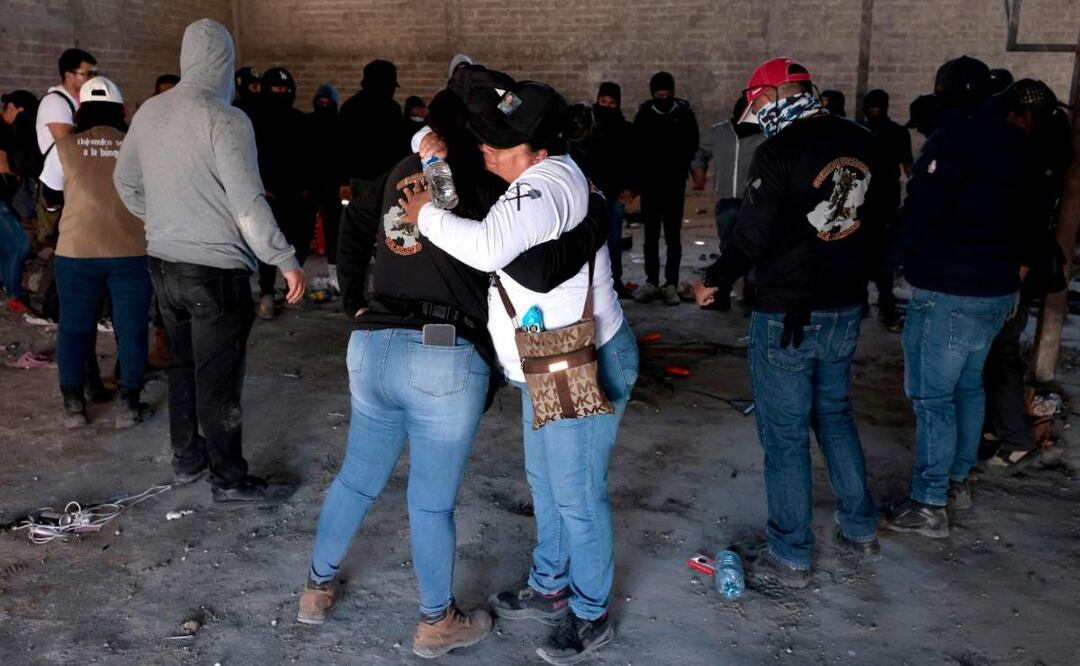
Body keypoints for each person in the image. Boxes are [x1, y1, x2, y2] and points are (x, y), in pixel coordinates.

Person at [300, 71, 608, 658]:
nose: (491, 148)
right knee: (490, 493)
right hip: (479, 353)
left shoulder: (413, 170)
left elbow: (361, 220)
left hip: (377, 343)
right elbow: (525, 264)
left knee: (359, 478)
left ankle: (315, 589)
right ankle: (441, 619)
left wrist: (352, 299)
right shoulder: (491, 183)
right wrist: (598, 218)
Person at [400, 77, 638, 666]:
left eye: (501, 143)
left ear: (538, 150)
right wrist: (431, 149)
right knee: (547, 485)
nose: (487, 147)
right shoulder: (527, 176)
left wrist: (424, 214)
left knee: (577, 495)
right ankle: (551, 583)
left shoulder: (546, 186)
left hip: (575, 359)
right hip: (545, 362)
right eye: (486, 138)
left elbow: (483, 250)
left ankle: (590, 613)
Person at [694, 57, 883, 588]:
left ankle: (791, 554)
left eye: (756, 101)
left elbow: (752, 235)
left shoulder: (776, 151)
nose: (754, 111)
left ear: (775, 94)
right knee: (836, 413)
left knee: (785, 436)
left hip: (787, 316)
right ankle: (860, 525)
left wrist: (717, 277)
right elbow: (879, 222)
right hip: (845, 307)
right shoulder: (864, 141)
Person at [114, 18, 305, 504]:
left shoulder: (150, 112)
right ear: (225, 62)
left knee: (181, 366)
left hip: (162, 263)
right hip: (214, 274)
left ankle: (188, 459)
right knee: (218, 380)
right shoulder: (225, 118)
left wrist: (162, 219)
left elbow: (125, 184)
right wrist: (283, 258)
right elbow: (247, 200)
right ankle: (229, 478)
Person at [880, 56, 1038, 536]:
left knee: (933, 398)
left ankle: (929, 502)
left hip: (951, 293)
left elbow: (920, 215)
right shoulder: (1017, 141)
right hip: (997, 293)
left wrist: (883, 264)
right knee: (969, 387)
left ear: (944, 93)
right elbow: (1034, 216)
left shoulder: (950, 144)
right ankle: (957, 481)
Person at [49, 77, 153, 429]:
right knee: (132, 327)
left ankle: (74, 404)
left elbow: (49, 194)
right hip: (131, 252)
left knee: (74, 327)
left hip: (77, 252)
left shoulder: (64, 147)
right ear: (122, 112)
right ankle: (129, 403)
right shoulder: (137, 147)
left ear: (80, 113)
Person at [982, 79, 1073, 475]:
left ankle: (1016, 439)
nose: (1007, 120)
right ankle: (994, 427)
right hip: (1018, 267)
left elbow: (1031, 223)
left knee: (1001, 350)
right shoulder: (1044, 151)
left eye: (1014, 114)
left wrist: (1014, 275)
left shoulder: (1038, 159)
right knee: (995, 350)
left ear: (1026, 115)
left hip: (1018, 270)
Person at [252, 66, 315, 319]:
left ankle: (292, 289)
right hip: (268, 195)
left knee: (299, 242)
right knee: (268, 244)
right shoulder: (253, 122)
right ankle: (267, 292)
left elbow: (311, 156)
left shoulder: (300, 120)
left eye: (286, 90)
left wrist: (308, 188)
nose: (282, 93)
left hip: (297, 196)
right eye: (276, 90)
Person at [632, 71, 699, 305]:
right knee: (650, 235)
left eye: (667, 93)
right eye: (659, 94)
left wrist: (688, 170)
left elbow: (693, 145)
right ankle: (651, 281)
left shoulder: (684, 115)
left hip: (674, 186)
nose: (663, 98)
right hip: (651, 187)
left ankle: (670, 283)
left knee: (673, 236)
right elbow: (636, 152)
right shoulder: (643, 117)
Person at [858, 89, 912, 331]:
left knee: (882, 258)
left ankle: (882, 304)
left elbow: (908, 166)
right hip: (864, 202)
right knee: (867, 257)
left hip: (881, 203)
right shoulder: (860, 131)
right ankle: (872, 304)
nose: (875, 110)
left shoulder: (896, 133)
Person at [578, 81, 635, 298]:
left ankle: (614, 280)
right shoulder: (588, 129)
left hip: (614, 193)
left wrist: (630, 189)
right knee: (590, 238)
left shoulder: (625, 130)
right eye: (603, 102)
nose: (606, 106)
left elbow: (632, 161)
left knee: (613, 238)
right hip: (589, 194)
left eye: (611, 103)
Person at [35, 48, 96, 245]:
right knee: (55, 243)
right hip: (56, 183)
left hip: (75, 182)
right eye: (87, 74)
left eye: (93, 74)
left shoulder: (80, 102)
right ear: (69, 75)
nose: (91, 78)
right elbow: (67, 141)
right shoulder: (55, 101)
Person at [692, 95, 766, 252]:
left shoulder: (765, 136)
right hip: (725, 200)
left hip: (753, 201)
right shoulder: (719, 132)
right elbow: (701, 153)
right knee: (726, 243)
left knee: (752, 244)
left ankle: (749, 276)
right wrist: (699, 171)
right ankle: (729, 275)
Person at [339, 59, 409, 184]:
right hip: (376, 178)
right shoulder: (391, 109)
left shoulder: (350, 107)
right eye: (390, 86)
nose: (392, 91)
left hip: (363, 177)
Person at [0, 90, 38, 313]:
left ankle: (10, 290)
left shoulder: (10, 130)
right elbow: (3, 166)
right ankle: (14, 295)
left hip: (5, 195)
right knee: (19, 244)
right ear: (12, 107)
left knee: (9, 245)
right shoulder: (3, 130)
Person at [306, 84, 345, 293]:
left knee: (333, 232)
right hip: (311, 185)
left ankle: (334, 274)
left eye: (326, 104)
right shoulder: (308, 122)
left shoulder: (338, 125)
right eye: (319, 103)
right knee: (303, 232)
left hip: (331, 186)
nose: (323, 107)